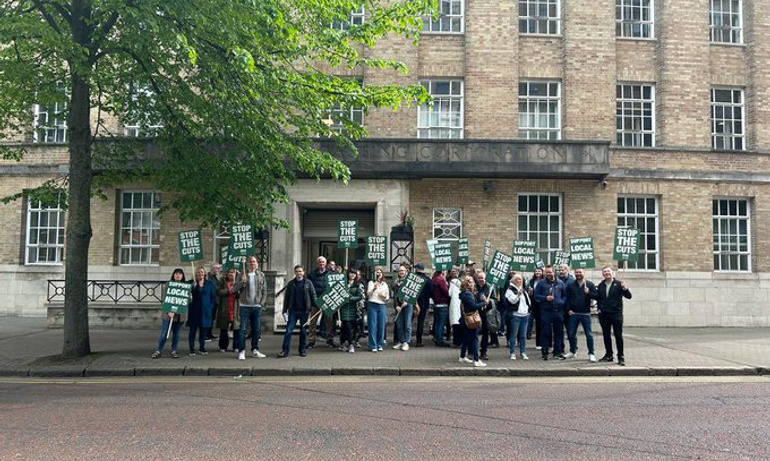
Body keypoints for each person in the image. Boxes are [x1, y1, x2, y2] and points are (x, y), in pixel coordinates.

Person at [595, 266, 632, 366]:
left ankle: (621, 356)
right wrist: (588, 293)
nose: (606, 273)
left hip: (616, 314)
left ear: (612, 273)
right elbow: (599, 298)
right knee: (606, 335)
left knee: (618, 336)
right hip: (604, 314)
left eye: (608, 271)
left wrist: (625, 288)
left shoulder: (619, 284)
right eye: (604, 272)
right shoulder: (601, 285)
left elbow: (629, 296)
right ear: (602, 274)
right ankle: (609, 355)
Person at [278, 265, 317, 358]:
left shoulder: (308, 283)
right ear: (294, 273)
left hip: (304, 311)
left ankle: (302, 350)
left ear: (303, 272)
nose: (298, 273)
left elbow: (313, 295)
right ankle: (285, 350)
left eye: (300, 271)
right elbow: (287, 298)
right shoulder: (291, 284)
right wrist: (284, 310)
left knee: (303, 331)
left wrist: (318, 305)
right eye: (297, 271)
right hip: (293, 311)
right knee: (288, 330)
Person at [234, 256, 267, 360]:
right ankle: (242, 351)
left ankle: (255, 349)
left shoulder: (261, 275)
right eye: (250, 262)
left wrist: (261, 303)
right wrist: (242, 282)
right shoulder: (242, 274)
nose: (252, 263)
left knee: (256, 330)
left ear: (257, 263)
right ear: (247, 263)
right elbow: (234, 288)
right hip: (244, 306)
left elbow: (264, 290)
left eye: (254, 261)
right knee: (242, 329)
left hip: (256, 306)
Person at [151, 268, 187, 359]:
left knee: (176, 334)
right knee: (164, 333)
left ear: (182, 276)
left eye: (180, 274)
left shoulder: (185, 286)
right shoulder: (168, 285)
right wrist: (168, 311)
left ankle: (174, 351)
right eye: (176, 274)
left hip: (179, 315)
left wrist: (190, 296)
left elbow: (187, 301)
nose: (178, 275)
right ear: (173, 275)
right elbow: (164, 299)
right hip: (168, 314)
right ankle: (158, 350)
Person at [565, 268, 598, 362]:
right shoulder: (571, 285)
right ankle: (572, 351)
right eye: (577, 272)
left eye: (580, 272)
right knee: (571, 334)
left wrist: (589, 293)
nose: (578, 274)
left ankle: (591, 353)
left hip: (586, 314)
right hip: (574, 314)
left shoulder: (590, 284)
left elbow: (596, 296)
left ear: (584, 273)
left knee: (589, 335)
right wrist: (568, 309)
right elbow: (567, 298)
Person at [533, 265, 566, 360]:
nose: (548, 274)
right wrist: (545, 298)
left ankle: (557, 352)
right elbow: (536, 295)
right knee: (545, 332)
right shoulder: (541, 283)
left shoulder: (560, 283)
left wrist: (561, 302)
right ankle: (545, 352)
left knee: (558, 332)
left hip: (558, 311)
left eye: (550, 272)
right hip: (546, 311)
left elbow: (564, 295)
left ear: (554, 272)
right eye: (546, 272)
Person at [459, 275, 486, 367]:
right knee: (474, 339)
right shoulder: (468, 294)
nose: (473, 283)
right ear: (468, 284)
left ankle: (462, 356)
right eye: (471, 282)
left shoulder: (464, 293)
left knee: (466, 338)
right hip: (471, 319)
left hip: (466, 318)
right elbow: (473, 306)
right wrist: (484, 302)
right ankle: (476, 360)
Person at [188, 267, 216, 356]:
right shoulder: (191, 283)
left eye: (202, 272)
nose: (200, 274)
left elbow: (213, 297)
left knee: (203, 331)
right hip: (194, 311)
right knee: (192, 331)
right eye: (198, 272)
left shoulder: (209, 284)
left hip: (205, 311)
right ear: (195, 274)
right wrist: (191, 289)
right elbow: (186, 293)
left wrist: (210, 307)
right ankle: (191, 349)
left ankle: (202, 347)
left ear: (205, 273)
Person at [307, 256, 335, 349]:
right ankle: (311, 340)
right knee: (313, 321)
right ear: (317, 263)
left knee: (329, 322)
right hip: (316, 301)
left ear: (326, 263)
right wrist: (313, 300)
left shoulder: (331, 274)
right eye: (320, 262)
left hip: (327, 301)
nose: (321, 264)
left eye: (323, 262)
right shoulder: (312, 275)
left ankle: (329, 340)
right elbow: (309, 288)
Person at [504, 273, 531, 360]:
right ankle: (512, 353)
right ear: (513, 281)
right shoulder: (510, 290)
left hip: (525, 315)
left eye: (521, 280)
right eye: (518, 279)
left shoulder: (523, 290)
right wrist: (518, 295)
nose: (520, 281)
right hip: (516, 315)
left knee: (523, 335)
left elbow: (528, 302)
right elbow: (512, 301)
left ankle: (523, 352)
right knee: (513, 335)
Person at [474, 271, 498, 361]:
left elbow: (495, 300)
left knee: (485, 332)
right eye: (479, 279)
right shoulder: (474, 286)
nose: (481, 280)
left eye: (482, 279)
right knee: (473, 332)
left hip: (486, 313)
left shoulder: (490, 287)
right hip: (475, 312)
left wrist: (489, 301)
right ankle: (471, 351)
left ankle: (483, 352)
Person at [215, 268, 240, 354]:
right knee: (223, 329)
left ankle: (236, 346)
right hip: (225, 308)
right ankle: (223, 346)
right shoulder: (223, 282)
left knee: (236, 329)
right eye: (229, 272)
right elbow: (218, 291)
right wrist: (228, 290)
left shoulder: (239, 283)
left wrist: (236, 288)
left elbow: (241, 293)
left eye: (233, 272)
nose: (231, 274)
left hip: (235, 308)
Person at [339, 268, 363, 353]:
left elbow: (360, 296)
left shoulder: (357, 285)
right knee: (345, 326)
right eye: (351, 273)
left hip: (353, 309)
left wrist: (350, 299)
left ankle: (348, 344)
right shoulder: (343, 284)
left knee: (349, 327)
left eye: (354, 273)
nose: (352, 275)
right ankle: (345, 344)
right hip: (343, 308)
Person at [391, 265, 415, 351]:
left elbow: (413, 293)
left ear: (406, 272)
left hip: (407, 305)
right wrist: (396, 306)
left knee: (407, 324)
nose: (401, 272)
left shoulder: (409, 282)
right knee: (399, 324)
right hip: (399, 306)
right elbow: (395, 296)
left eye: (403, 271)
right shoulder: (396, 282)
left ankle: (406, 342)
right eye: (400, 271)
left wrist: (407, 301)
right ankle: (401, 341)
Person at [366, 267, 389, 352]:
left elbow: (387, 296)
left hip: (382, 304)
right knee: (372, 325)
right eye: (377, 272)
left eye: (380, 272)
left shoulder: (384, 284)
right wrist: (374, 288)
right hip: (373, 304)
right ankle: (373, 345)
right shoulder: (371, 283)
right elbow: (368, 294)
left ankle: (380, 344)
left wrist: (384, 296)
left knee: (381, 325)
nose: (378, 274)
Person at [413, 263, 433, 347]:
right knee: (421, 322)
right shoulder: (427, 279)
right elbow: (431, 291)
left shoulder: (413, 278)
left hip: (413, 302)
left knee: (408, 321)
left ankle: (405, 339)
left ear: (417, 269)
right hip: (424, 303)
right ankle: (419, 341)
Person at [431, 269, 450, 347]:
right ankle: (439, 340)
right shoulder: (441, 280)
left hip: (436, 304)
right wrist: (447, 286)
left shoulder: (433, 280)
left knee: (437, 322)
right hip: (442, 303)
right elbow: (446, 292)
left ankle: (436, 338)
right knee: (441, 323)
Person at [526, 267, 544, 348]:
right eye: (536, 271)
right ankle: (538, 343)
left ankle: (544, 342)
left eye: (539, 271)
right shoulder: (531, 281)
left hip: (543, 304)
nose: (537, 272)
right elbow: (528, 294)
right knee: (537, 324)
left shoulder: (544, 281)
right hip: (534, 304)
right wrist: (530, 292)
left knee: (542, 324)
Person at [205, 263, 222, 340]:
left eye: (219, 268)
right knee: (207, 318)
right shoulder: (207, 277)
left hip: (215, 301)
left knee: (212, 318)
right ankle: (205, 335)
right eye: (216, 268)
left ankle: (209, 334)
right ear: (212, 268)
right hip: (208, 301)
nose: (218, 270)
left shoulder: (215, 277)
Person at [448, 269, 463, 347]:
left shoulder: (452, 282)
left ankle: (457, 342)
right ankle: (459, 341)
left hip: (454, 303)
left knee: (456, 323)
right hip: (460, 304)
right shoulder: (461, 282)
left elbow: (449, 293)